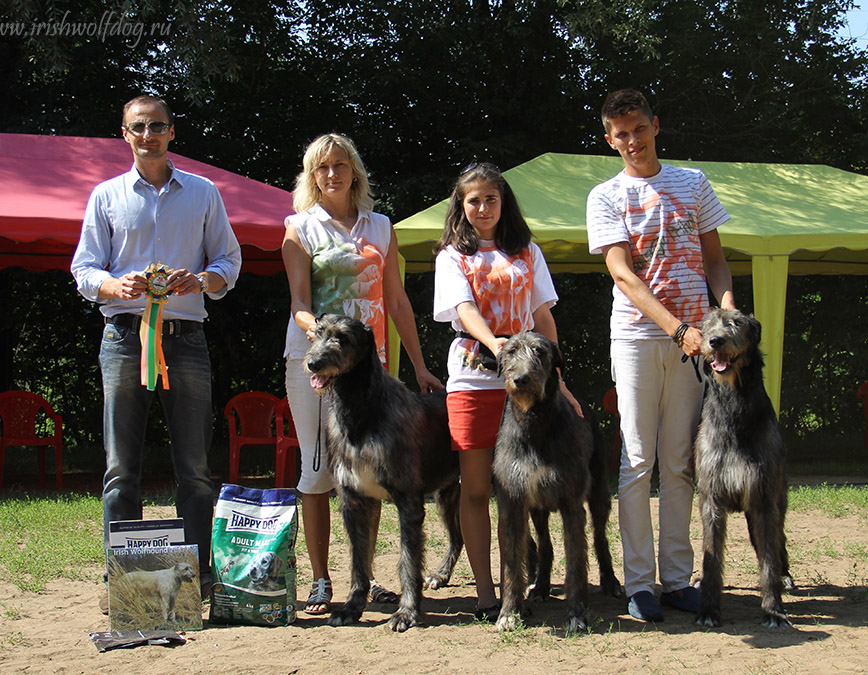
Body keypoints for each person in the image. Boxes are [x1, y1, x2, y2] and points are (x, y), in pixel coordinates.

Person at [71, 94, 242, 612]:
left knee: (193, 468)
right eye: (138, 127)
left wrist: (204, 278)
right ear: (125, 134)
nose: (148, 135)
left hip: (186, 341)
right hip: (124, 339)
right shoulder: (105, 196)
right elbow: (84, 270)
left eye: (157, 126)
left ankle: (196, 581)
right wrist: (112, 286)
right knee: (121, 468)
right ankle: (121, 581)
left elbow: (229, 261)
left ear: (173, 133)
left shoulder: (204, 193)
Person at [585, 88, 735, 622]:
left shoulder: (693, 183)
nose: (631, 141)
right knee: (636, 459)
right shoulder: (606, 195)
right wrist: (677, 329)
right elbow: (623, 274)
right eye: (620, 134)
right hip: (637, 337)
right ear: (610, 140)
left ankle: (676, 580)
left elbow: (716, 261)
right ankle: (639, 585)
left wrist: (726, 315)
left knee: (678, 462)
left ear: (655, 124)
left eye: (638, 129)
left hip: (697, 340)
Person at [282, 133, 443, 615]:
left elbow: (396, 302)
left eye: (340, 165)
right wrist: (321, 339)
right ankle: (320, 579)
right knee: (320, 473)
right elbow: (298, 304)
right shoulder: (298, 227)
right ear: (312, 177)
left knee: (373, 473)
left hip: (372, 369)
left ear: (354, 171)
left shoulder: (381, 226)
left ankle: (366, 579)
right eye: (322, 168)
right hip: (314, 365)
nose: (332, 174)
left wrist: (418, 365)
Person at [432, 162, 582, 621]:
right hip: (474, 380)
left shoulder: (527, 252)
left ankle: (518, 587)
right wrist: (494, 343)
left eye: (490, 199)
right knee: (477, 491)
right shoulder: (451, 256)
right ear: (461, 205)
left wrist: (559, 379)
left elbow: (542, 316)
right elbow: (463, 308)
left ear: (503, 201)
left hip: (530, 384)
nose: (482, 207)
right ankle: (487, 593)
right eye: (472, 200)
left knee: (515, 493)